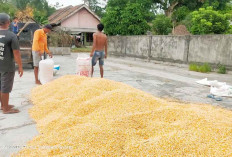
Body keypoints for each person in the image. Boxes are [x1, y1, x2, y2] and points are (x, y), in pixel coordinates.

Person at [0, 13, 23, 114]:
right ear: (8, 22)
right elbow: (16, 53)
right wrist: (20, 67)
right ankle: (6, 109)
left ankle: (3, 105)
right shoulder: (11, 36)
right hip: (7, 66)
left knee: (1, 86)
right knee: (5, 87)